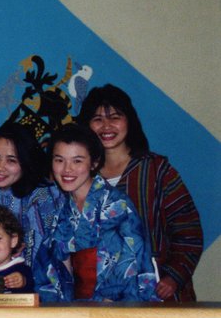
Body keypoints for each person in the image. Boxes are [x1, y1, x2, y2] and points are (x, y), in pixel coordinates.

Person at [78, 84, 203, 301]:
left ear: (130, 121)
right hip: (98, 301)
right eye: (97, 119)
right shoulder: (80, 176)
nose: (106, 126)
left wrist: (173, 277)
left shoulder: (157, 170)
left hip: (158, 296)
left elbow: (189, 232)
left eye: (115, 117)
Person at [35, 123, 157, 302]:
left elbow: (132, 265)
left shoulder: (116, 206)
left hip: (115, 307)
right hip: (77, 308)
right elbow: (52, 266)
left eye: (77, 161)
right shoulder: (61, 209)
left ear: (94, 162)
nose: (67, 169)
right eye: (59, 160)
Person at [0, 122, 61, 269]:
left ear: (26, 162)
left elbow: (43, 255)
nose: (0, 167)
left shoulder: (43, 196)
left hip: (36, 282)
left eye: (11, 160)